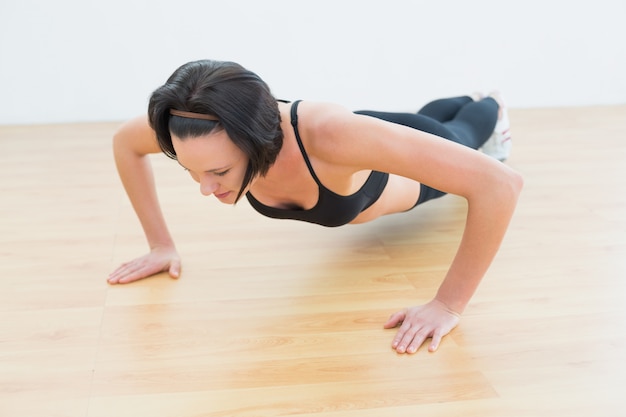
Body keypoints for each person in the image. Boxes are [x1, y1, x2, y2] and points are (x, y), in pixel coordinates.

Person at [108, 59, 523, 355]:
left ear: (256, 139)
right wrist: (160, 244)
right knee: (427, 125)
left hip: (398, 176)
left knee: (460, 134)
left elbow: (501, 186)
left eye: (219, 171)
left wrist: (447, 306)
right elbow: (125, 144)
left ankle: (491, 102)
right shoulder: (193, 121)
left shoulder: (332, 136)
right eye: (191, 170)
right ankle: (466, 100)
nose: (204, 187)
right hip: (371, 140)